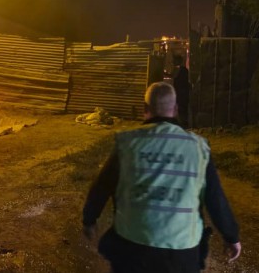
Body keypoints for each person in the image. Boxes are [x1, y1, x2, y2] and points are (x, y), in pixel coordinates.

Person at [82, 82, 241, 272]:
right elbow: (215, 198)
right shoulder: (197, 148)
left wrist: (89, 219)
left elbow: (102, 186)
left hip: (132, 247)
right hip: (181, 251)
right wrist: (231, 236)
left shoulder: (128, 143)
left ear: (145, 109)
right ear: (175, 110)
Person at [172, 55, 191, 126]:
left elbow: (175, 77)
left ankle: (183, 123)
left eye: (174, 60)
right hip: (183, 92)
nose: (173, 62)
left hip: (181, 93)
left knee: (181, 108)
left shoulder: (180, 69)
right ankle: (184, 122)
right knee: (183, 108)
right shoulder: (184, 70)